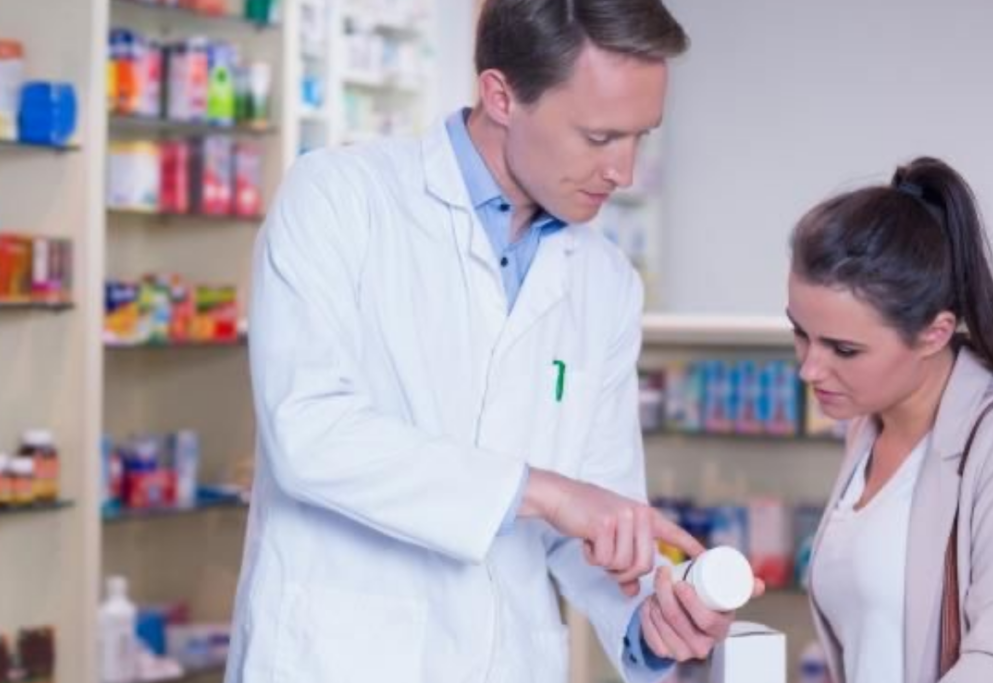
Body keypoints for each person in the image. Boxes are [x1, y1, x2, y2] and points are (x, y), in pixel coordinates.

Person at [226, 2, 752, 682]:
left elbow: (596, 515)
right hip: (337, 656)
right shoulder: (338, 199)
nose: (622, 171)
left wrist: (651, 619)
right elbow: (310, 432)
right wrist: (543, 490)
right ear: (501, 95)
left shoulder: (605, 283)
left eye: (639, 137)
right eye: (598, 137)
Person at [790, 157, 993, 683]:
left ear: (934, 333)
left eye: (844, 349)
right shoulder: (866, 425)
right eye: (801, 333)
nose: (809, 368)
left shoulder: (984, 443)